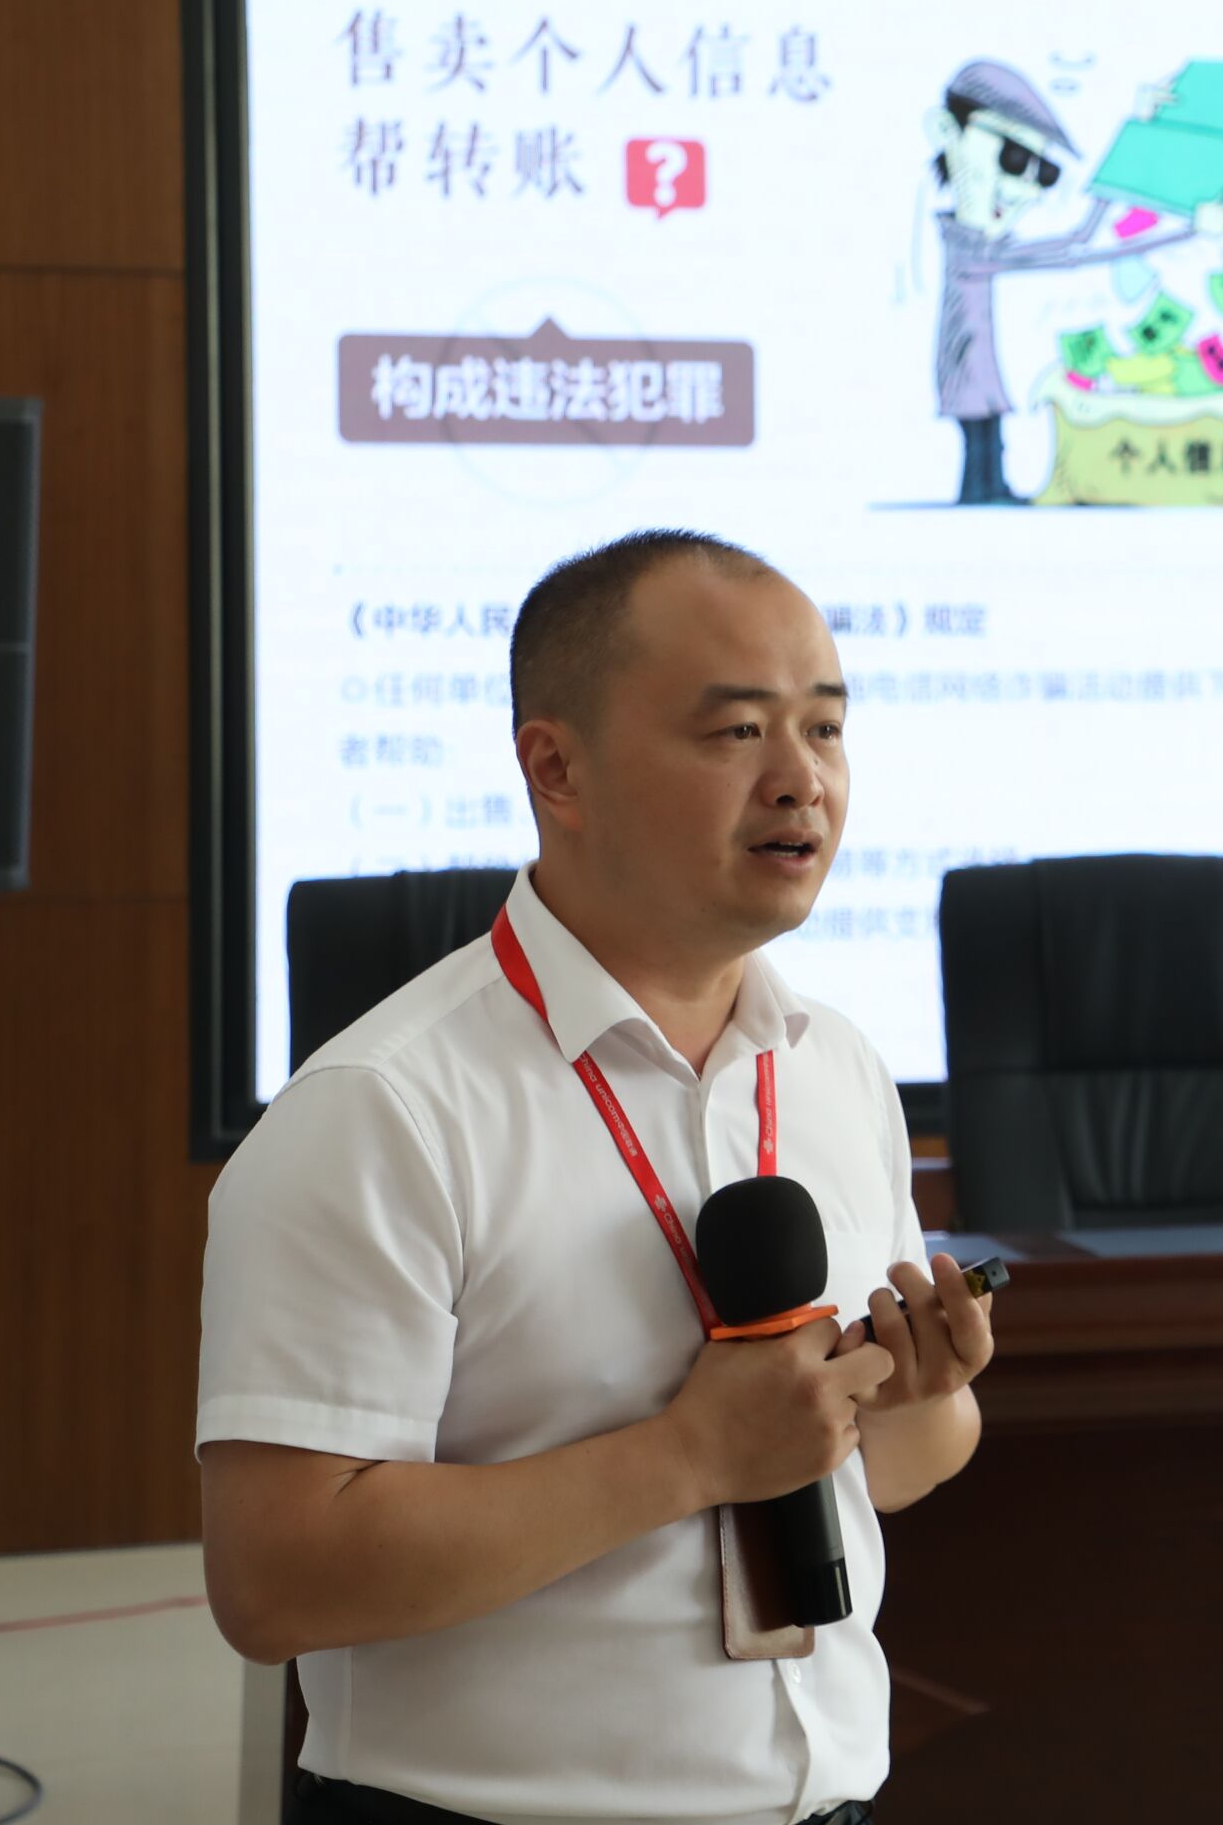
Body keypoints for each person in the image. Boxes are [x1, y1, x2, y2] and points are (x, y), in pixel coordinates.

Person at [198, 530, 992, 1825]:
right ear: (556, 767)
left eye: (825, 728)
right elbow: (275, 1580)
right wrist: (685, 1456)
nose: (801, 780)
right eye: (738, 732)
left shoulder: (837, 1067)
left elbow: (891, 1468)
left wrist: (916, 1392)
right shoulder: (381, 1111)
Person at [924, 58, 1223, 504]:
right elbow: (1078, 251)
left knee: (987, 432)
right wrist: (1189, 226)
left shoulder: (980, 247)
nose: (1025, 190)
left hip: (977, 370)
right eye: (1013, 158)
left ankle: (989, 492)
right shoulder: (972, 251)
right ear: (947, 131)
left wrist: (1142, 144)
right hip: (968, 370)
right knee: (981, 435)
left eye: (1043, 174)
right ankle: (981, 496)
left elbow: (1080, 240)